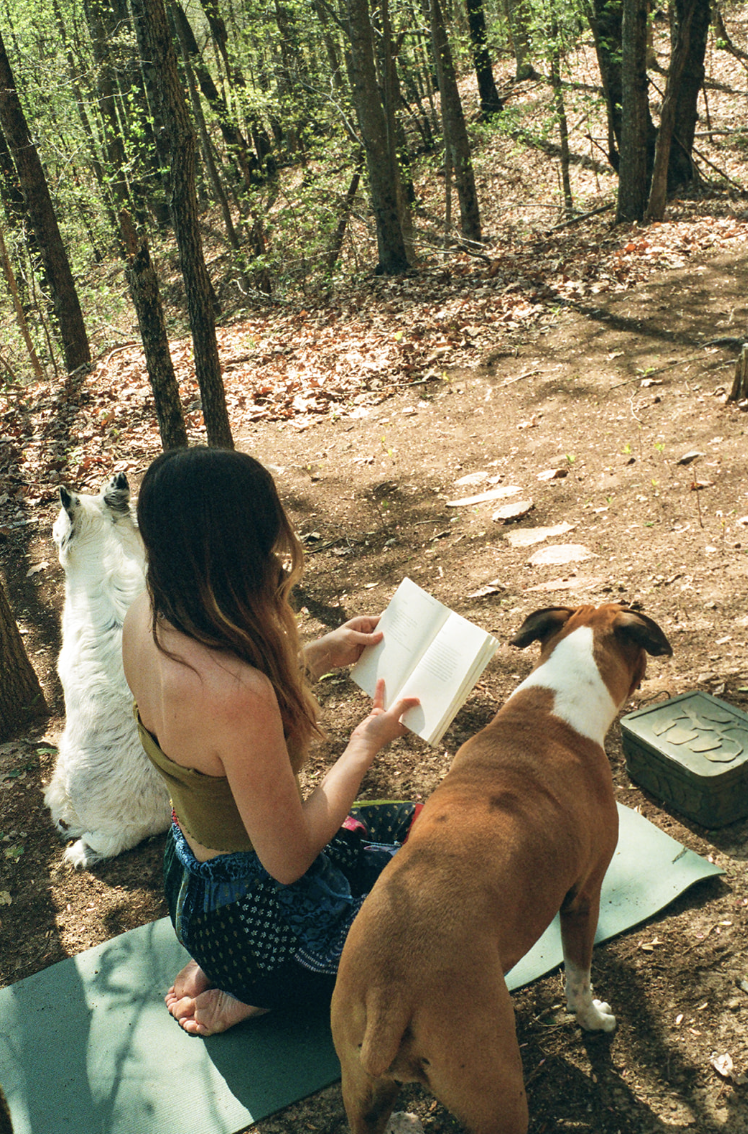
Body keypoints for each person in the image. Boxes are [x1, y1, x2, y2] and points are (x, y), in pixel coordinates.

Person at [122, 446, 419, 1036]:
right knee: (438, 917)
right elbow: (288, 862)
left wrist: (316, 656)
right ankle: (257, 993)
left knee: (433, 828)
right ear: (240, 554)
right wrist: (364, 743)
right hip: (262, 925)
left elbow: (206, 731)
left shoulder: (149, 609)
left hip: (194, 884)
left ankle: (231, 966)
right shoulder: (234, 691)